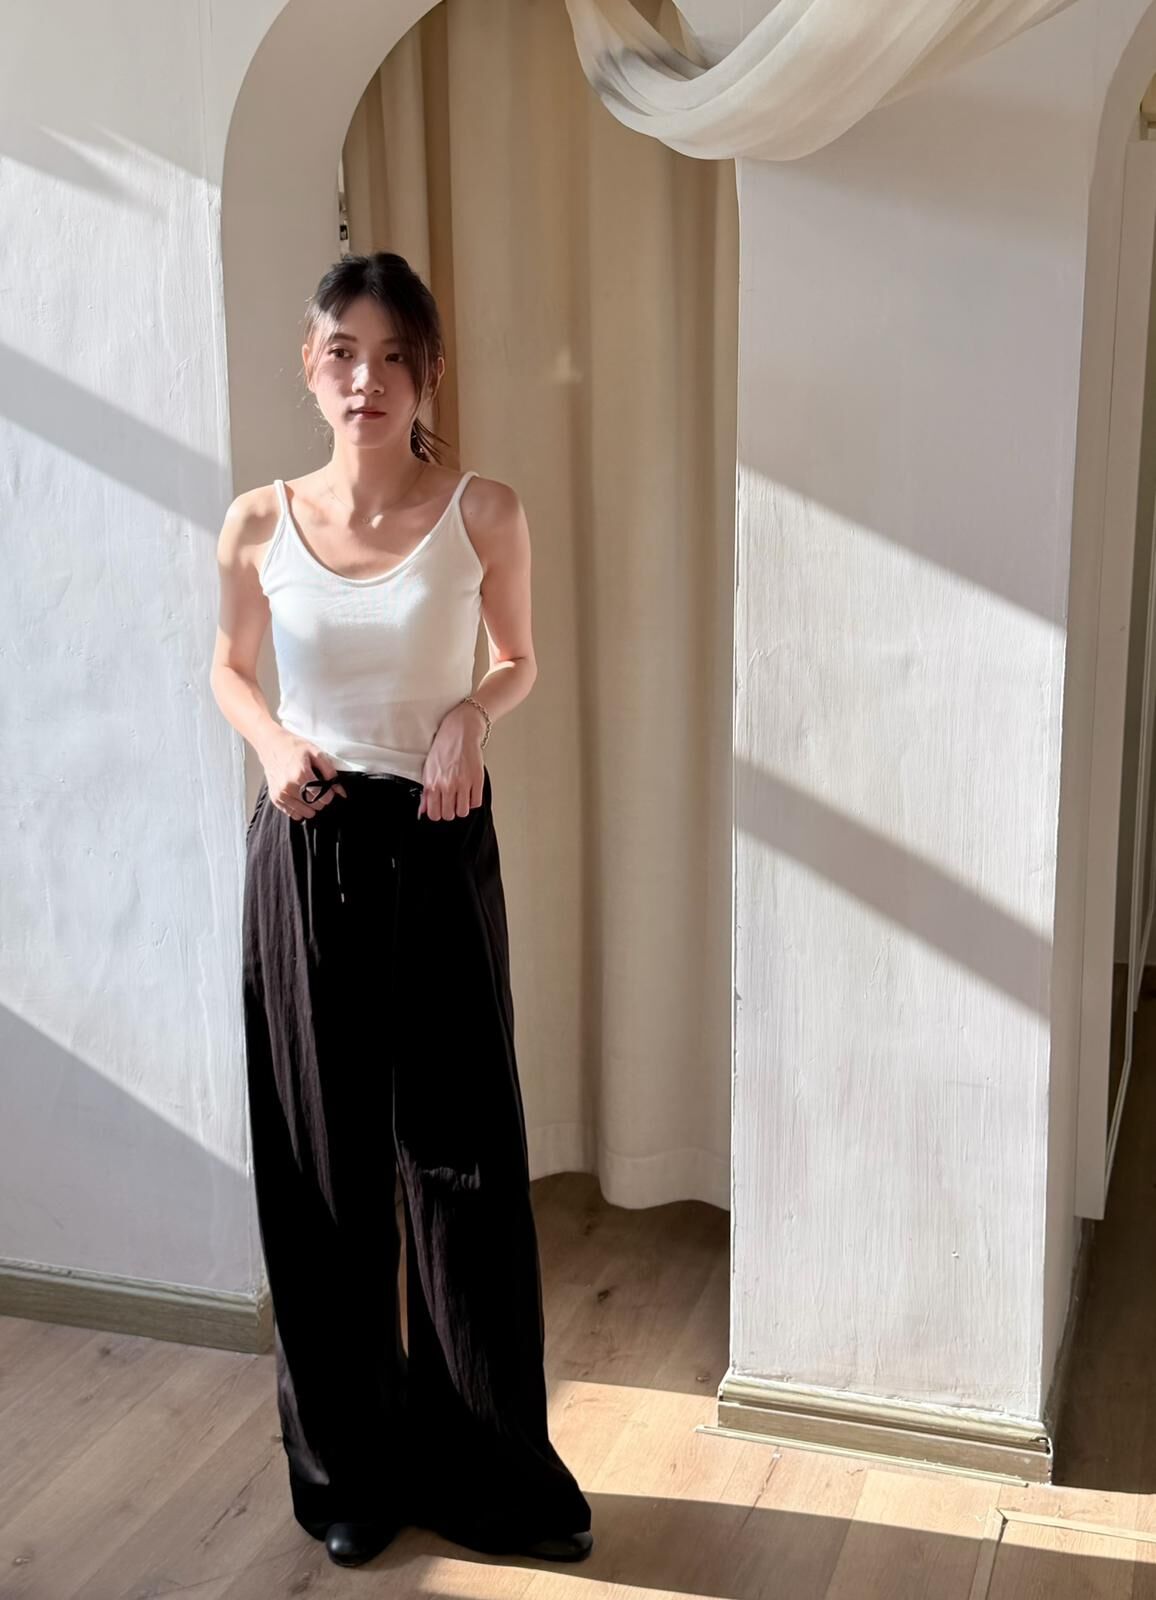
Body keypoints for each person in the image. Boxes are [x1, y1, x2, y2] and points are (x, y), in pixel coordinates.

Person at [209, 251, 593, 1570]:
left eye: (391, 356)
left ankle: (493, 1476)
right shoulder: (257, 522)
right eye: (342, 353)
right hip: (305, 845)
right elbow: (228, 666)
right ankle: (348, 1478)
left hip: (435, 842)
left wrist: (471, 714)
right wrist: (271, 744)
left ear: (426, 373)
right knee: (321, 1169)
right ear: (310, 367)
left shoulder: (484, 511)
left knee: (461, 1164)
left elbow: (519, 657)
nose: (364, 378)